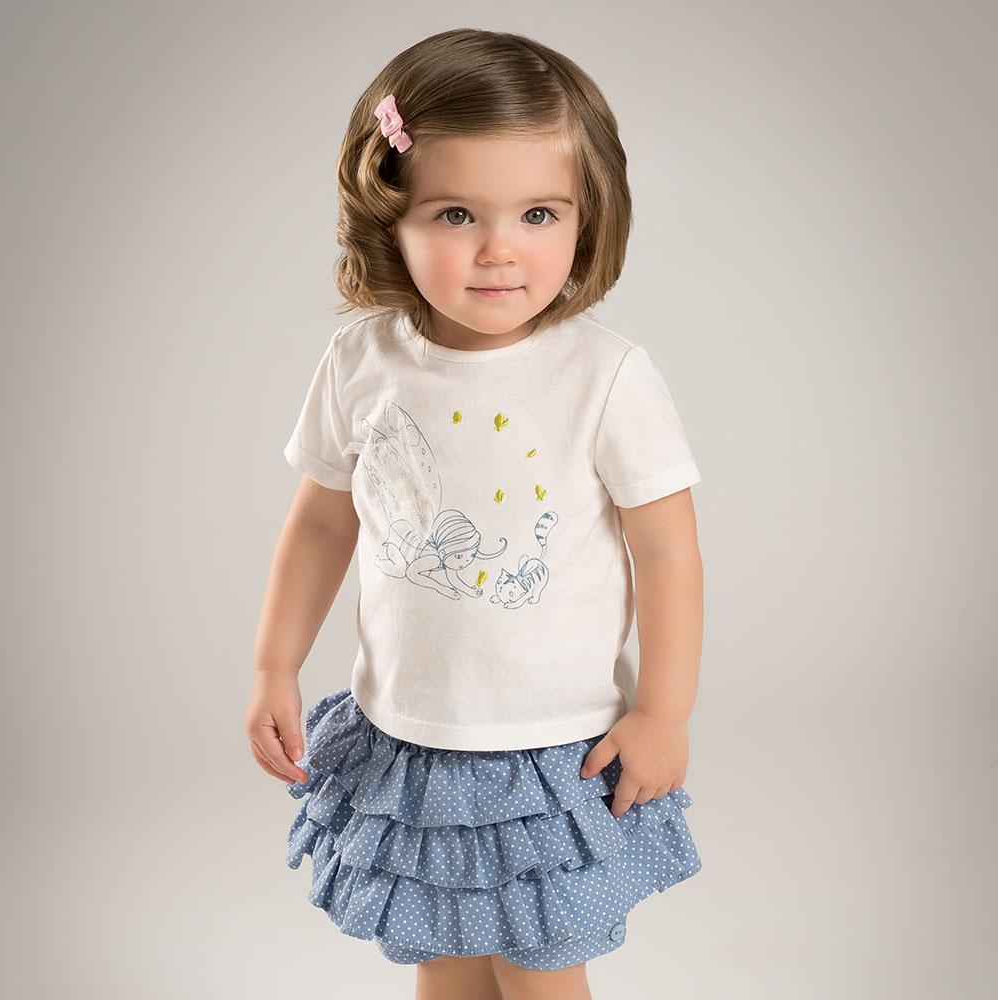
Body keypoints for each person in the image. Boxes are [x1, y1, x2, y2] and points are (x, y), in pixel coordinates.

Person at [245, 27, 705, 1000]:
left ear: (587, 216)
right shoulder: (363, 362)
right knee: (448, 968)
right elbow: (322, 523)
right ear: (391, 218)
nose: (500, 249)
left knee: (538, 976)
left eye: (538, 213)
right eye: (456, 213)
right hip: (411, 739)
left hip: (552, 750)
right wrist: (273, 663)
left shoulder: (603, 375)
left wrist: (664, 710)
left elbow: (667, 552)